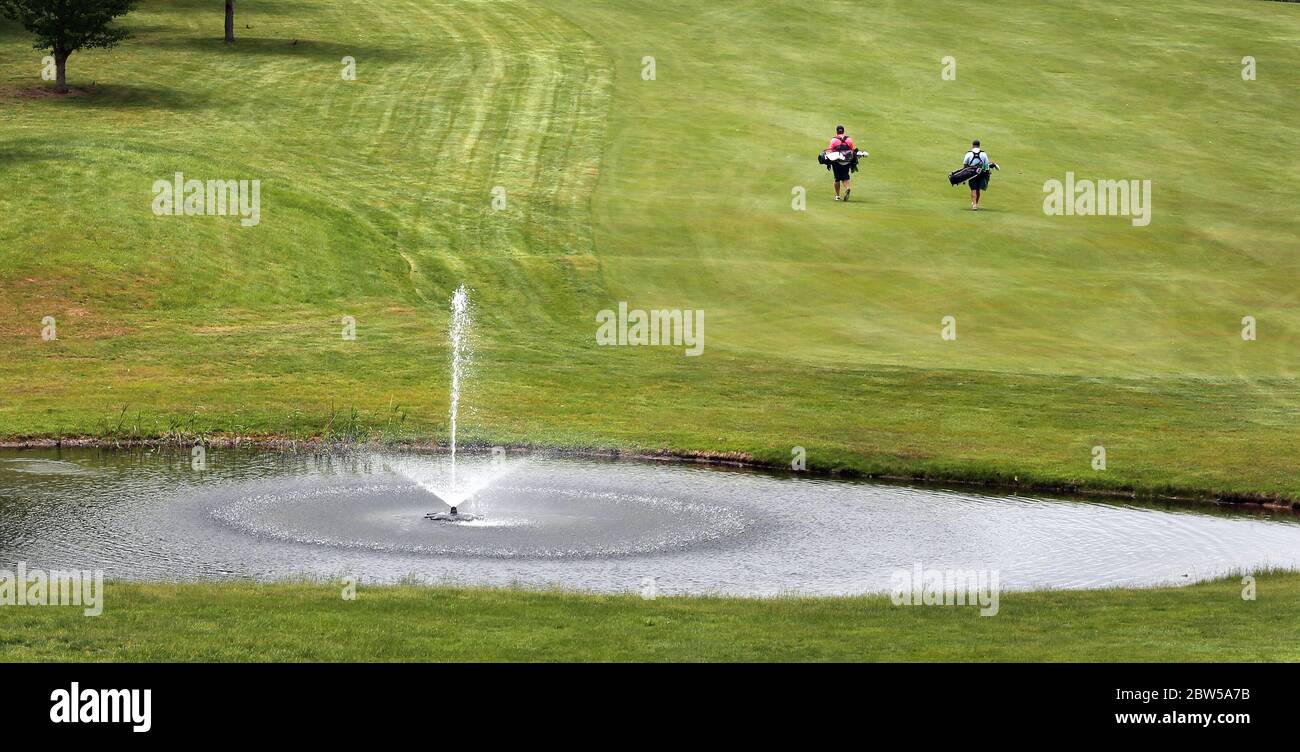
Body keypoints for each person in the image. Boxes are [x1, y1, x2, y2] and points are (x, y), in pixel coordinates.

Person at [962, 139, 996, 210]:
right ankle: (976, 203)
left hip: (972, 173)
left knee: (973, 189)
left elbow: (965, 165)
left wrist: (964, 176)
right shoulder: (984, 154)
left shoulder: (969, 153)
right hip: (981, 173)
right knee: (978, 189)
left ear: (972, 145)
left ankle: (974, 205)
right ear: (979, 145)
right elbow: (986, 165)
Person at [828, 125, 855, 201]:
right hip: (847, 161)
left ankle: (837, 195)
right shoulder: (849, 139)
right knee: (845, 177)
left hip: (837, 161)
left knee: (837, 179)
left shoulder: (834, 140)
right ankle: (847, 188)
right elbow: (852, 150)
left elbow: (830, 151)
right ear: (843, 131)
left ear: (837, 132)